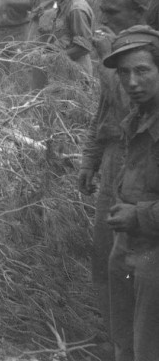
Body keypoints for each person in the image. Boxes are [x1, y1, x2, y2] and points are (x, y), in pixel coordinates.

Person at [78, 0, 153, 343]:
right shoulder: (119, 58)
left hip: (140, 167)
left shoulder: (143, 61)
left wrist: (112, 67)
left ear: (139, 12)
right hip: (113, 166)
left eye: (112, 12)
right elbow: (104, 112)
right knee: (106, 259)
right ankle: (115, 339)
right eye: (101, 10)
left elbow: (134, 114)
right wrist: (89, 159)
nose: (103, 19)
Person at [101, 25, 159, 361]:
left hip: (154, 257)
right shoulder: (139, 116)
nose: (132, 82)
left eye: (142, 70)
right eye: (124, 73)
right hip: (127, 250)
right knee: (124, 342)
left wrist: (136, 215)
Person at [48, 0, 94, 76]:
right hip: (64, 73)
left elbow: (83, 48)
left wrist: (52, 57)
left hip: (77, 76)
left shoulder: (76, 9)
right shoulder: (63, 5)